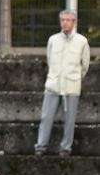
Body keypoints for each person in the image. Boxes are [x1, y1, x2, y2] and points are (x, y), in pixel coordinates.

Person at [34, 9, 90, 158]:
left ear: (74, 22)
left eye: (68, 20)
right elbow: (49, 59)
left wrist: (76, 78)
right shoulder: (53, 40)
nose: (65, 22)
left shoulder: (82, 41)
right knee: (46, 117)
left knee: (70, 120)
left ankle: (66, 148)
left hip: (71, 86)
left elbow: (85, 65)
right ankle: (41, 146)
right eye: (62, 20)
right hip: (53, 85)